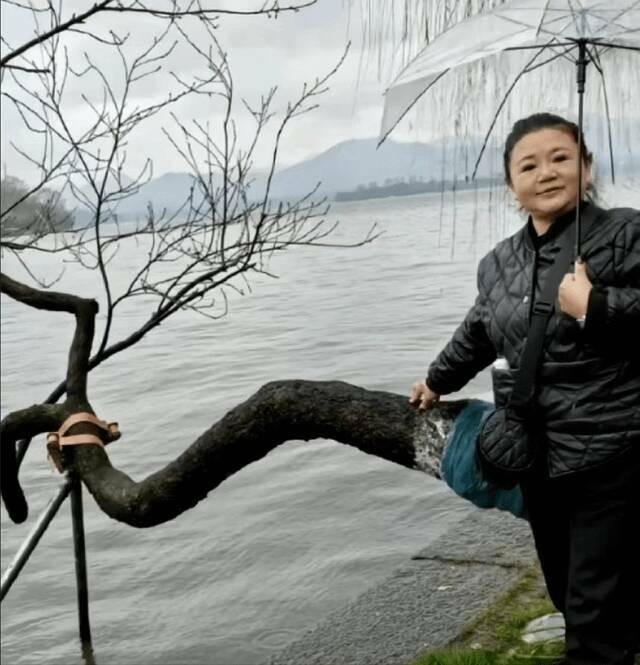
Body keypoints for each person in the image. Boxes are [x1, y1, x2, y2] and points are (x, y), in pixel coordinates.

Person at [409, 112, 639, 664]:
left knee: (591, 609)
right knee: (567, 589)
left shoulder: (626, 233)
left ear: (587, 168)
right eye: (529, 165)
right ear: (512, 186)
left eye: (562, 158)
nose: (547, 173)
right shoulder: (499, 262)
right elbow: (479, 330)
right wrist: (436, 381)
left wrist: (598, 306)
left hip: (614, 448)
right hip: (540, 454)